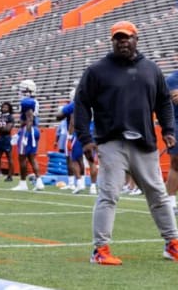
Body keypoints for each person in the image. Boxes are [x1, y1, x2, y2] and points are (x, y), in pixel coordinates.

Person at [74, 20, 178, 265]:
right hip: (111, 142)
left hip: (144, 143)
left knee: (158, 194)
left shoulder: (151, 69)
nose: (123, 41)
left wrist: (168, 129)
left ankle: (172, 244)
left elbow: (163, 101)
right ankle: (100, 250)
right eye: (118, 38)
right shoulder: (97, 71)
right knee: (108, 194)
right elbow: (81, 104)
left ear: (136, 39)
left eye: (127, 37)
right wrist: (85, 139)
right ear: (112, 41)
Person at [12, 80, 45, 191]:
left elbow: (29, 118)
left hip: (28, 130)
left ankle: (22, 184)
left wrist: (25, 134)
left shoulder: (27, 102)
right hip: (34, 129)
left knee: (22, 158)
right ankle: (39, 182)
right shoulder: (34, 101)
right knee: (32, 157)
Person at [166, 71, 178, 216]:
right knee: (176, 163)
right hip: (177, 122)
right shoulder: (173, 79)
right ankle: (171, 202)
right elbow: (176, 98)